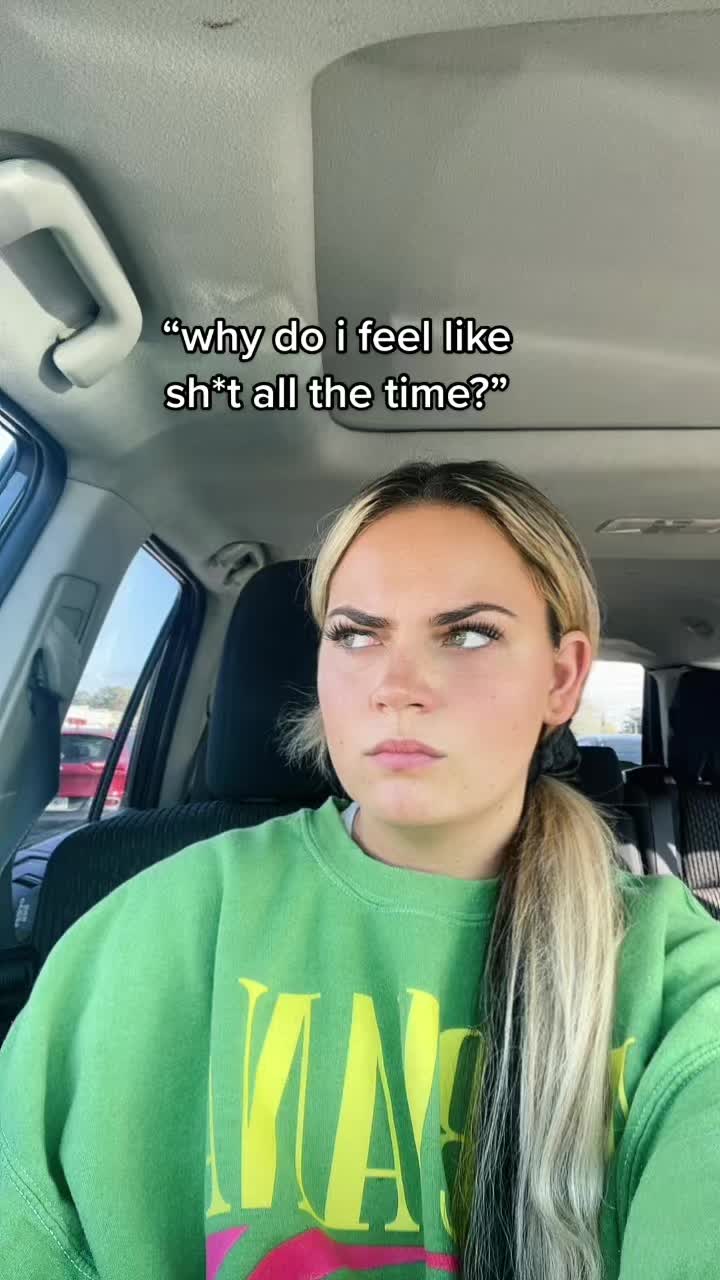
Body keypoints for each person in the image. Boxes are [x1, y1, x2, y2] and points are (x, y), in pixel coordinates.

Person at [1, 459, 719, 1280]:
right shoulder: (152, 928)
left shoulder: (668, 978)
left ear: (561, 678)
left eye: (468, 633)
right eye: (355, 634)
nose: (395, 687)